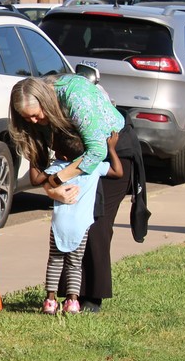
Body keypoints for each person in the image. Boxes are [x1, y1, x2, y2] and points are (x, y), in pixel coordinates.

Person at [8, 74, 147, 313]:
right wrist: (54, 191)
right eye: (26, 117)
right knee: (70, 221)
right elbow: (40, 172)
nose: (33, 120)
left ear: (45, 101)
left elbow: (96, 152)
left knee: (94, 222)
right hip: (75, 157)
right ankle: (69, 295)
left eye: (36, 114)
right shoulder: (35, 118)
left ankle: (93, 297)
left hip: (112, 150)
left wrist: (57, 179)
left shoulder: (75, 97)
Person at [39, 132, 123, 315]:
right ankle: (73, 302)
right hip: (81, 225)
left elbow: (36, 179)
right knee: (75, 264)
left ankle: (50, 301)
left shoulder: (58, 167)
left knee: (55, 261)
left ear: (64, 155)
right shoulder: (94, 167)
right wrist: (111, 149)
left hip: (59, 224)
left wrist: (34, 158)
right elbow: (118, 172)